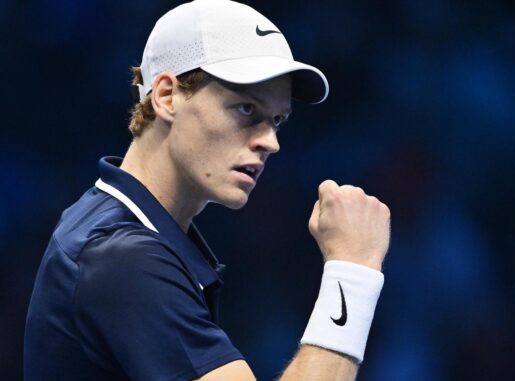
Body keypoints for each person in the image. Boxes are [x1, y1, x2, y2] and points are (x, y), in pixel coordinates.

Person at [24, 0, 391, 380]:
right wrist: (353, 270)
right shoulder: (121, 256)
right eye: (246, 109)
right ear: (166, 96)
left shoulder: (110, 225)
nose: (271, 142)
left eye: (277, 120)